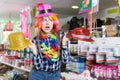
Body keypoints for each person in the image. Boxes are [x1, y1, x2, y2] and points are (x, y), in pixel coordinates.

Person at [28, 3, 70, 80]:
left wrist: (64, 44)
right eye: (44, 20)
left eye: (50, 20)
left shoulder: (60, 37)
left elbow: (65, 60)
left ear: (53, 22)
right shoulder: (35, 40)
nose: (47, 23)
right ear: (40, 23)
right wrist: (35, 51)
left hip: (54, 75)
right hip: (38, 75)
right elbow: (38, 66)